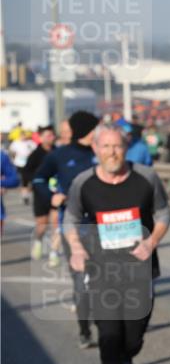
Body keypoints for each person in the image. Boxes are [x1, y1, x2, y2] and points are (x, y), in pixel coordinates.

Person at [65, 124, 170, 364]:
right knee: (109, 337)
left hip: (139, 270)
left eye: (117, 146)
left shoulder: (146, 178)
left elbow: (164, 213)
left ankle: (127, 357)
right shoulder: (83, 183)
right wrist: (76, 248)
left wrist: (151, 242)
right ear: (95, 149)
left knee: (133, 338)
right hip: (101, 271)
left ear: (126, 148)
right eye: (106, 147)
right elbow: (71, 218)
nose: (112, 152)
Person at [32, 110, 101, 348]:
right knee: (81, 280)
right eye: (95, 128)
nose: (98, 132)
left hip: (105, 227)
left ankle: (106, 324)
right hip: (74, 227)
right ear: (86, 130)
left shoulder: (102, 152)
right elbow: (38, 179)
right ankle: (85, 331)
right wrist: (52, 196)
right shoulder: (60, 155)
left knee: (104, 279)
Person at [24, 125, 57, 260]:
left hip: (56, 194)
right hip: (40, 194)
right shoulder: (35, 155)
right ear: (41, 138)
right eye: (48, 136)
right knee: (42, 225)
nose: (51, 138)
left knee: (56, 224)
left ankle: (54, 253)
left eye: (52, 135)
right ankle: (38, 242)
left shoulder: (58, 152)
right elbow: (26, 172)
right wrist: (34, 182)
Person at [10, 130, 37, 204]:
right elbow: (12, 152)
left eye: (24, 135)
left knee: (31, 180)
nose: (23, 137)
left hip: (29, 164)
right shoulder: (15, 143)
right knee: (24, 180)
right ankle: (25, 196)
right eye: (22, 135)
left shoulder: (30, 143)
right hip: (20, 164)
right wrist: (13, 159)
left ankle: (28, 193)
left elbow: (35, 151)